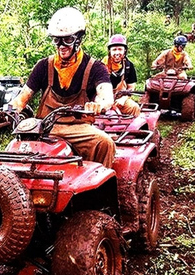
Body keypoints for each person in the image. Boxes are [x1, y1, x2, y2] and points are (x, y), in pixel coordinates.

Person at [10, 7, 115, 168]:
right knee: (11, 151)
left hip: (78, 130)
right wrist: (8, 109)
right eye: (56, 40)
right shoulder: (44, 66)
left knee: (105, 143)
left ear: (78, 39)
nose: (61, 45)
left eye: (67, 40)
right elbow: (23, 97)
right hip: (44, 127)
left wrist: (99, 105)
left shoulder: (95, 67)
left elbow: (106, 95)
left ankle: (100, 190)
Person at [101, 34, 140, 117]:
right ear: (109, 51)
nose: (117, 53)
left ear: (124, 51)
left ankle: (132, 129)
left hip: (120, 100)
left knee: (135, 107)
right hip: (103, 100)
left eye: (120, 49)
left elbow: (131, 88)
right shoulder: (101, 66)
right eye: (114, 50)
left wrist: (124, 98)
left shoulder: (129, 66)